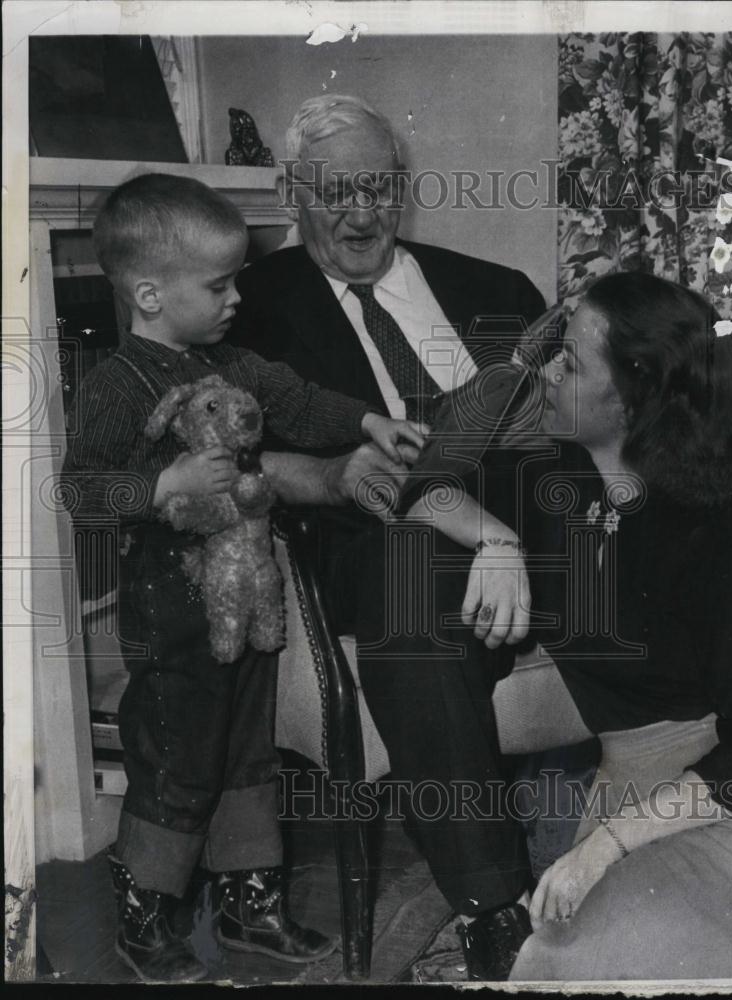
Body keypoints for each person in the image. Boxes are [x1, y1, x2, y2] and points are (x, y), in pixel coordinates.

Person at [60, 172, 426, 983]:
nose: (235, 296)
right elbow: (79, 489)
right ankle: (145, 921)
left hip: (251, 598)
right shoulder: (117, 387)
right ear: (150, 294)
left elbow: (295, 401)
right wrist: (158, 488)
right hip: (170, 616)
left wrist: (366, 419)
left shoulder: (230, 362)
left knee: (248, 759)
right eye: (218, 283)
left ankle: (249, 909)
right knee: (179, 765)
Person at [230, 93, 548, 980]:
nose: (362, 212)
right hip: (374, 531)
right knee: (412, 603)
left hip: (531, 515)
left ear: (401, 187)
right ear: (293, 192)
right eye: (336, 193)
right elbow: (252, 455)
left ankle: (706, 817)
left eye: (378, 187)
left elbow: (555, 424)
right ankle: (492, 903)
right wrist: (469, 529)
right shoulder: (248, 307)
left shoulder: (493, 288)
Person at [504, 272, 732, 980]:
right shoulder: (559, 477)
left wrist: (606, 847)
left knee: (587, 954)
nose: (545, 374)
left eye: (568, 363)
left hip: (718, 799)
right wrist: (489, 542)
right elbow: (424, 471)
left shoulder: (729, 530)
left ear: (632, 397)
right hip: (611, 777)